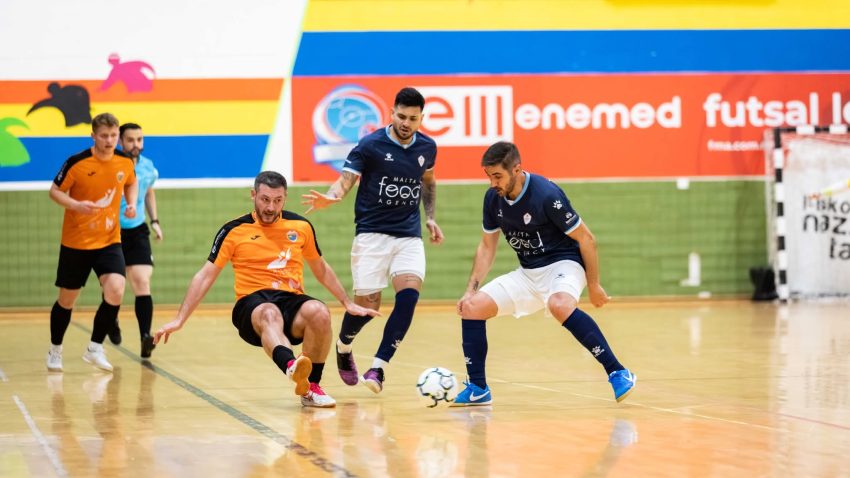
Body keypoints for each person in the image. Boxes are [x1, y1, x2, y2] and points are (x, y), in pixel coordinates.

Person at [153, 171, 378, 407]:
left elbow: (320, 268)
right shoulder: (234, 230)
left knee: (320, 311)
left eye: (278, 200)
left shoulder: (300, 226)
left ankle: (310, 387)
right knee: (270, 312)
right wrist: (180, 319)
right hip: (251, 304)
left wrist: (346, 302)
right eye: (265, 199)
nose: (271, 207)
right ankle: (291, 365)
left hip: (289, 299)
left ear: (285, 198)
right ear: (253, 195)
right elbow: (205, 276)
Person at [452, 141, 635, 406]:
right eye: (488, 176)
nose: (492, 183)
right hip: (528, 274)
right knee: (471, 307)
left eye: (497, 176)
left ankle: (618, 371)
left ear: (516, 169)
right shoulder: (493, 198)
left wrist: (594, 285)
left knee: (559, 304)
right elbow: (487, 246)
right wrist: (471, 289)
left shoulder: (546, 195)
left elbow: (587, 239)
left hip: (564, 264)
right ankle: (478, 388)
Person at [302, 87, 444, 394]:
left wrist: (430, 216)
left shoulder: (427, 147)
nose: (406, 123)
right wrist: (331, 197)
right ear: (392, 113)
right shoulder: (370, 145)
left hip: (408, 235)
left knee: (408, 297)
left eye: (413, 118)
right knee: (368, 305)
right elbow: (345, 181)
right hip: (371, 234)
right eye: (401, 116)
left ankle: (379, 367)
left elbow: (428, 183)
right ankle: (343, 346)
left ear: (422, 119)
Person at [46, 112, 138, 373]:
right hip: (76, 242)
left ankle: (95, 348)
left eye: (113, 135)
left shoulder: (125, 162)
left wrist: (130, 203)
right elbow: (54, 191)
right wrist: (75, 205)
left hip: (109, 240)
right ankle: (55, 350)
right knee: (67, 300)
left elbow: (132, 183)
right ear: (93, 136)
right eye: (104, 136)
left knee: (117, 289)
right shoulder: (77, 163)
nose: (109, 140)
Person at [109, 123, 162, 359]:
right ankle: (111, 319)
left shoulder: (148, 167)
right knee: (115, 287)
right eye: (130, 140)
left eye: (139, 140)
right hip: (111, 232)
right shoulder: (111, 165)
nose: (136, 145)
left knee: (141, 281)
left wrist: (155, 221)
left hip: (138, 230)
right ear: (120, 141)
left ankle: (145, 337)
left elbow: (149, 192)